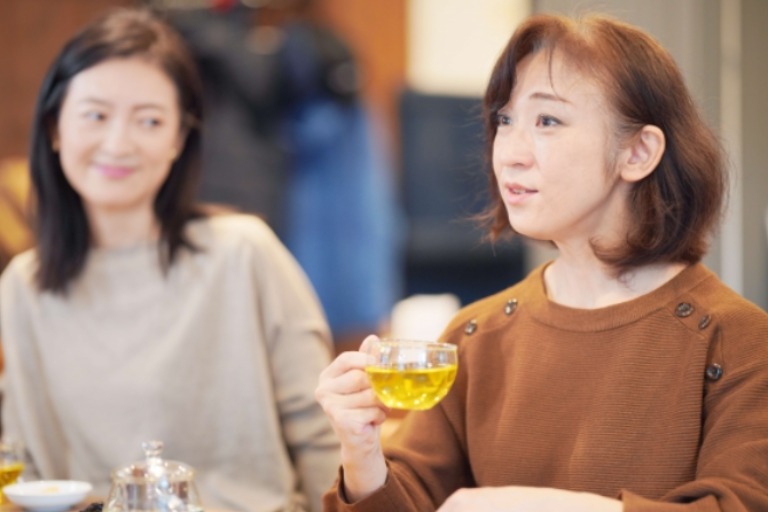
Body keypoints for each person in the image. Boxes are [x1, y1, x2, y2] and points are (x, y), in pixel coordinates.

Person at [314, 12, 768, 512]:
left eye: (547, 121)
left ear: (638, 152)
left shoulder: (739, 341)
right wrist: (361, 454)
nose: (509, 153)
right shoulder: (474, 336)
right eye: (505, 121)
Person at [0, 8, 339, 512]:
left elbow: (323, 434)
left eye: (150, 121)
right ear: (54, 127)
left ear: (179, 139)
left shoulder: (243, 254)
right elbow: (24, 466)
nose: (118, 143)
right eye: (95, 115)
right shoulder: (24, 287)